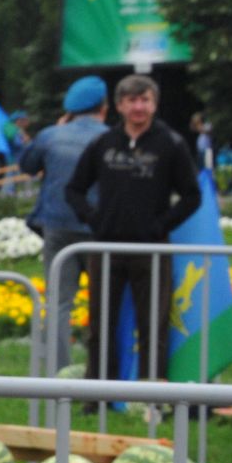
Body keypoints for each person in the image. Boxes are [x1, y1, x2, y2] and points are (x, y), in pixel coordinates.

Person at [65, 74, 201, 383]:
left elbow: (192, 196)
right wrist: (93, 218)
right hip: (106, 248)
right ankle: (98, 390)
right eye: (132, 101)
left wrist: (161, 226)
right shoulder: (103, 143)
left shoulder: (171, 144)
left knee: (153, 323)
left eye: (145, 100)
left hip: (151, 249)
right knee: (100, 324)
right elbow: (74, 189)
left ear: (155, 104)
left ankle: (151, 393)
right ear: (119, 106)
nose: (139, 107)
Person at [20, 75, 110, 371]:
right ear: (105, 107)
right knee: (104, 303)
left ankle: (59, 371)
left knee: (59, 303)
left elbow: (27, 166)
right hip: (99, 230)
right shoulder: (112, 138)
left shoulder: (50, 135)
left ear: (70, 109)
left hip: (57, 228)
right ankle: (102, 369)